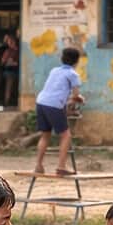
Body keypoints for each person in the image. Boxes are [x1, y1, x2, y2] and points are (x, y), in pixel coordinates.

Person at [34, 47, 85, 175]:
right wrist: (80, 99)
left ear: (62, 58)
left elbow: (55, 89)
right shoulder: (73, 74)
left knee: (45, 135)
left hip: (41, 102)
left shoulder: (54, 70)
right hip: (54, 105)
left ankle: (38, 165)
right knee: (66, 135)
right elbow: (75, 96)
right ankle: (61, 166)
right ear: (77, 61)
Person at [0, 32, 20, 109]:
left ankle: (11, 101)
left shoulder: (19, 50)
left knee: (14, 86)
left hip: (18, 71)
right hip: (9, 71)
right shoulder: (8, 51)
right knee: (9, 85)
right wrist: (6, 61)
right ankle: (6, 102)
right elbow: (2, 62)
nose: (10, 44)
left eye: (11, 42)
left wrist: (14, 63)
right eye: (8, 42)